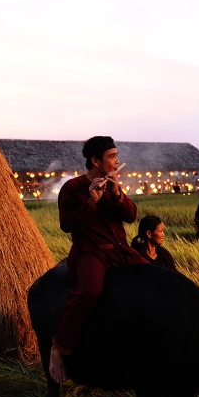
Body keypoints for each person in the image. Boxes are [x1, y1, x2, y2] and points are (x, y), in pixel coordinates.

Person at [50, 136, 147, 383]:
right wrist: (91, 204)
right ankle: (59, 348)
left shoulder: (113, 183)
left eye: (116, 155)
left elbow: (131, 217)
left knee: (153, 277)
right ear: (95, 160)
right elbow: (66, 224)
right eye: (112, 156)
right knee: (91, 291)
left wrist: (116, 195)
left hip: (119, 250)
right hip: (89, 252)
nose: (117, 161)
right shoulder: (72, 188)